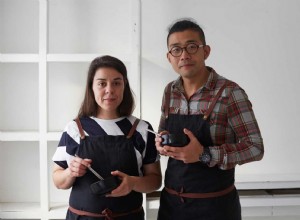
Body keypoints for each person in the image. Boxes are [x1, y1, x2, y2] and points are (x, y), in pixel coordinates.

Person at [155, 18, 264, 220]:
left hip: (216, 208)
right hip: (172, 207)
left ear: (206, 51)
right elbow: (164, 132)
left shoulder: (230, 92)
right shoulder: (169, 91)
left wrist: (205, 154)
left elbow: (255, 147)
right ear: (169, 57)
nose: (184, 55)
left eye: (192, 47)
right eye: (176, 49)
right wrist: (161, 142)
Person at [52, 55, 162, 220]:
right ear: (92, 87)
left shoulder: (141, 129)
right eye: (102, 83)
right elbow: (58, 180)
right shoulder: (74, 129)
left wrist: (132, 183)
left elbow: (155, 180)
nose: (109, 90)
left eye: (116, 83)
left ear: (124, 86)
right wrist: (70, 172)